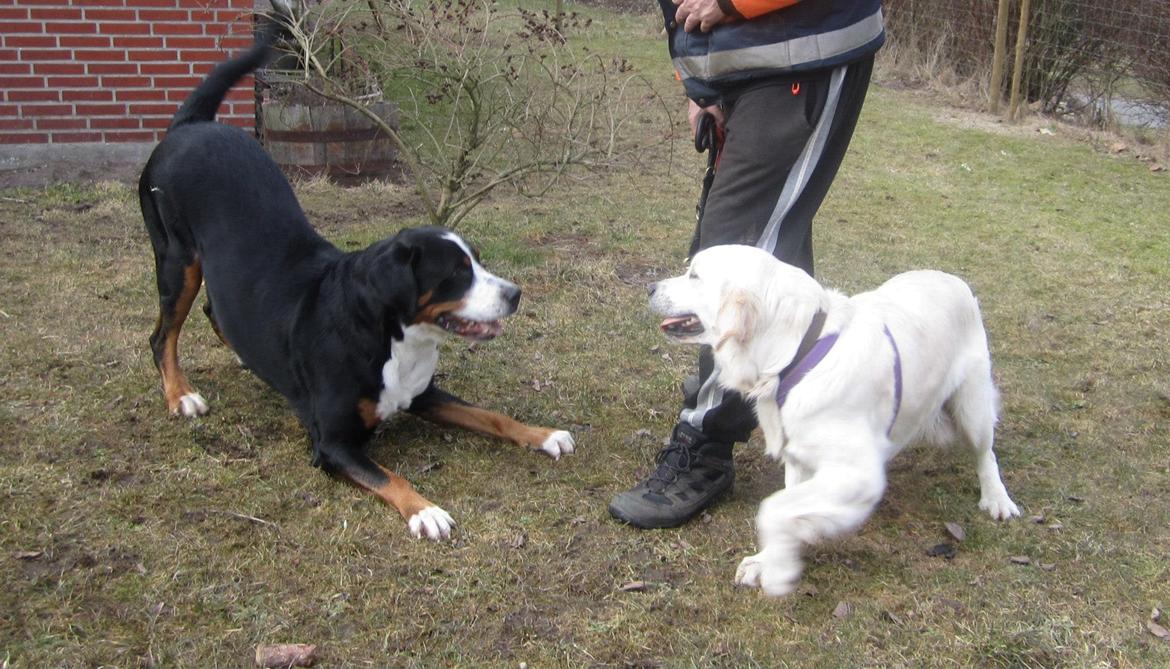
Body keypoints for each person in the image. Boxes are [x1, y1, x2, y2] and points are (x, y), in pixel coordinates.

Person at [608, 0, 886, 528]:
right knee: (763, 246)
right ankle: (832, 405)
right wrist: (700, 83)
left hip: (802, 54)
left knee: (744, 249)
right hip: (744, 67)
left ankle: (705, 444)